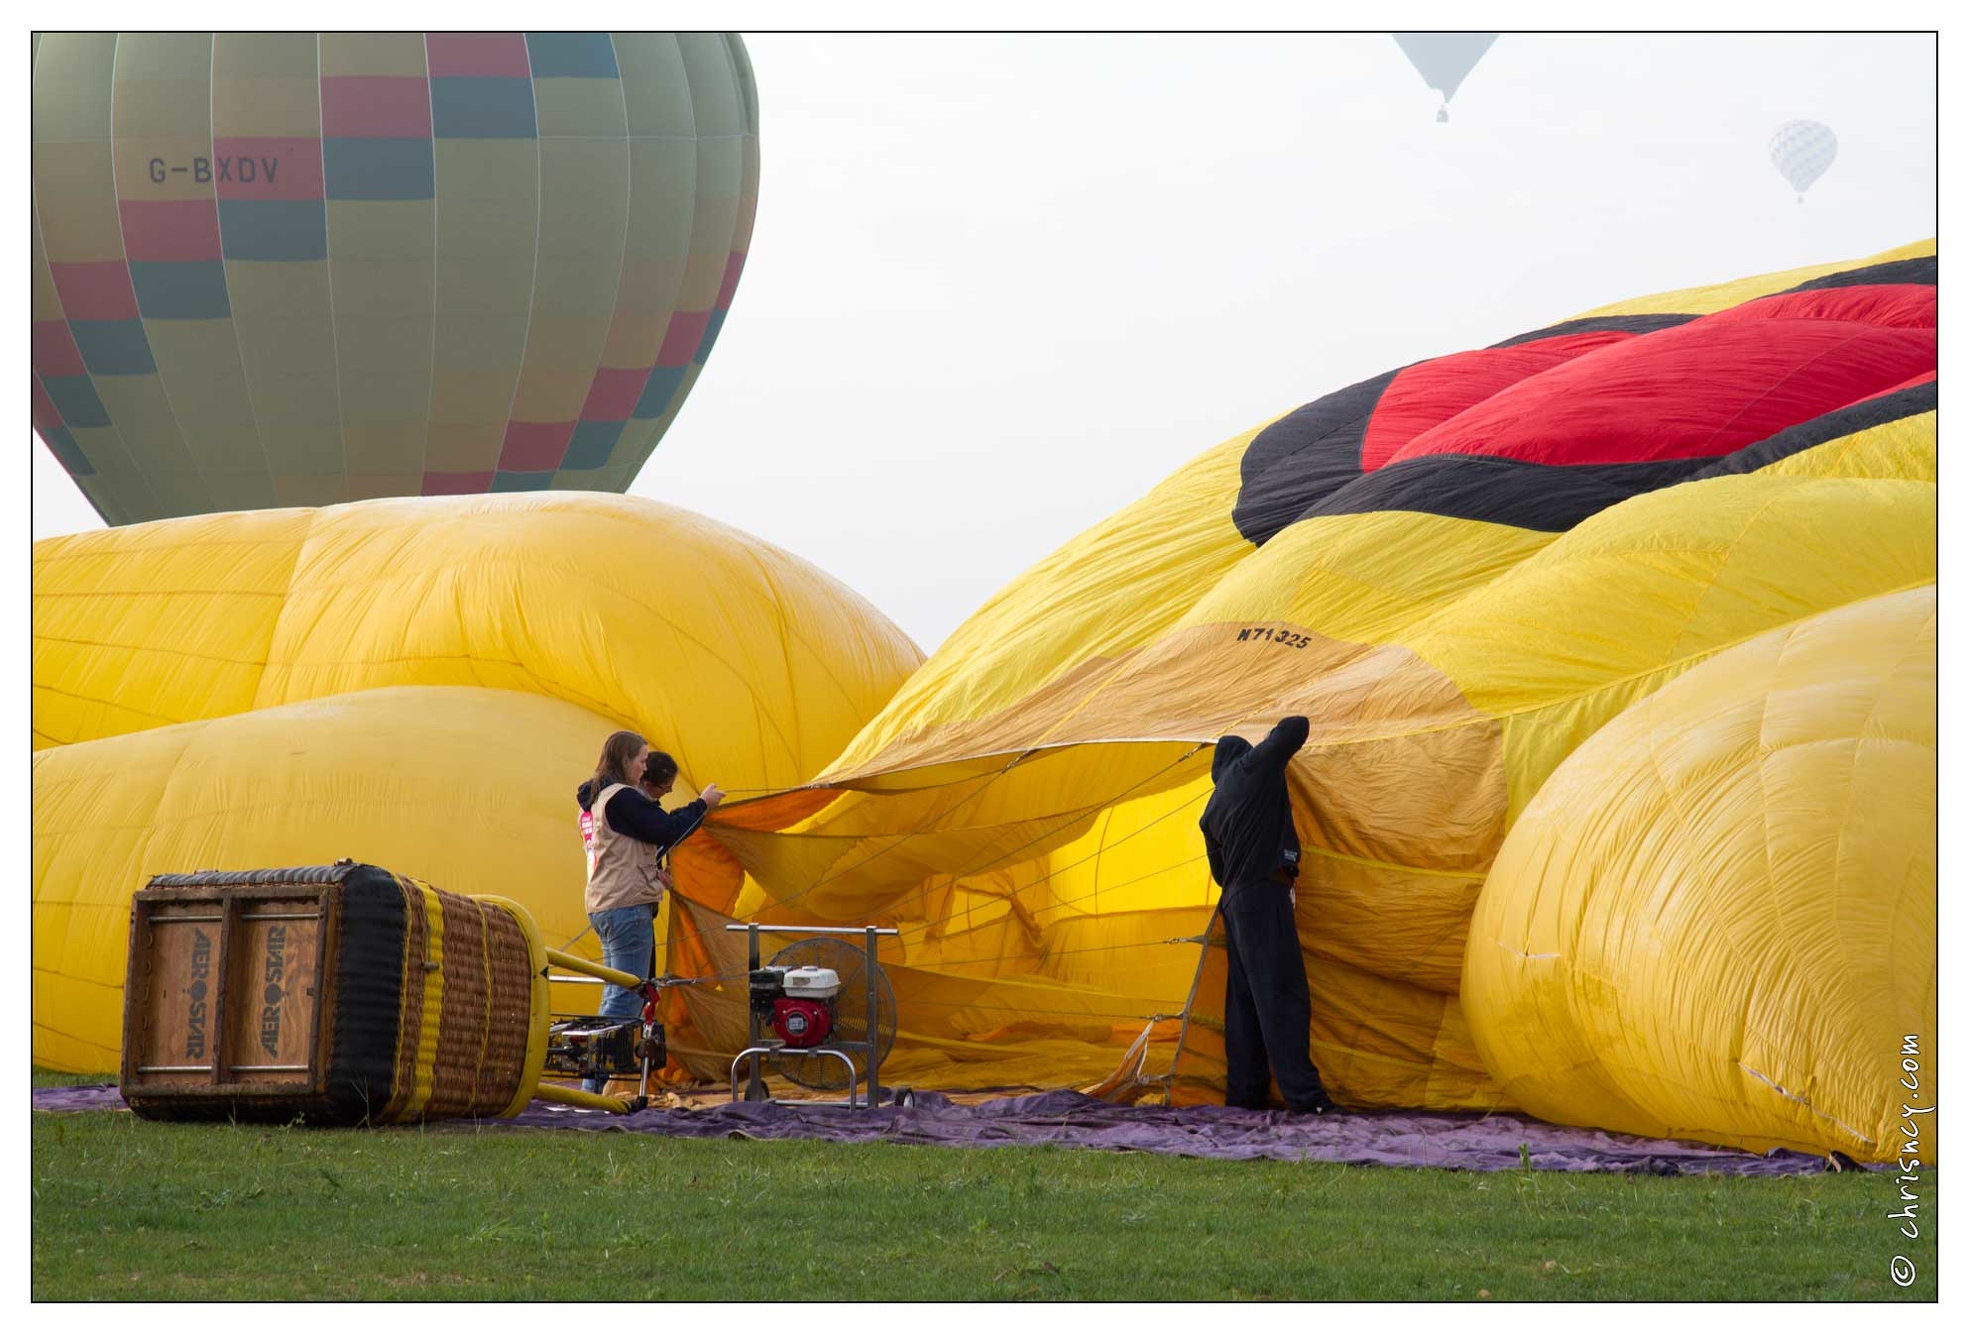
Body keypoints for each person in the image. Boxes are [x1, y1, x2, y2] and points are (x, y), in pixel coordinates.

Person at [575, 730, 724, 1091]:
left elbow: (628, 847)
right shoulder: (623, 798)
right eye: (641, 759)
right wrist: (703, 804)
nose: (645, 767)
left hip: (606, 905)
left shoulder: (600, 797)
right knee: (627, 997)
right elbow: (667, 829)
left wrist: (651, 873)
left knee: (616, 994)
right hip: (626, 911)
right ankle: (592, 1087)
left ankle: (593, 1084)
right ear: (625, 760)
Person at [1198, 715, 1332, 1115]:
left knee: (1245, 1005)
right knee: (1282, 997)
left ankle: (1245, 1095)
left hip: (1235, 905)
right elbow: (1298, 726)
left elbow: (1220, 874)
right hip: (1263, 895)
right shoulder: (1252, 768)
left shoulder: (1211, 807)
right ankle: (1306, 1100)